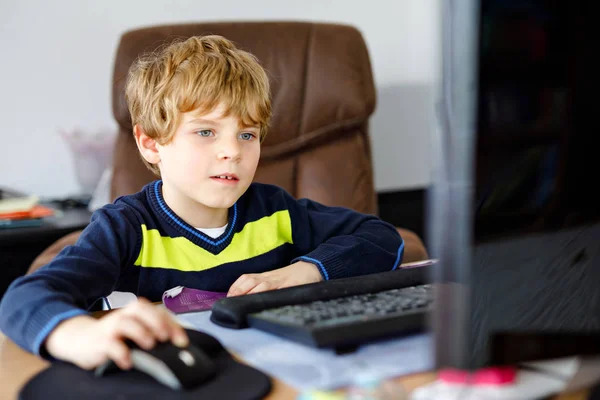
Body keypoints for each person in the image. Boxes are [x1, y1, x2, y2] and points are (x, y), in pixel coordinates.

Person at [0, 35, 404, 372]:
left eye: (247, 134)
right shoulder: (125, 228)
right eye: (206, 132)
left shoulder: (277, 211)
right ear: (150, 143)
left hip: (270, 371)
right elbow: (23, 300)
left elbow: (383, 237)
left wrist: (299, 272)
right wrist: (80, 335)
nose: (232, 151)